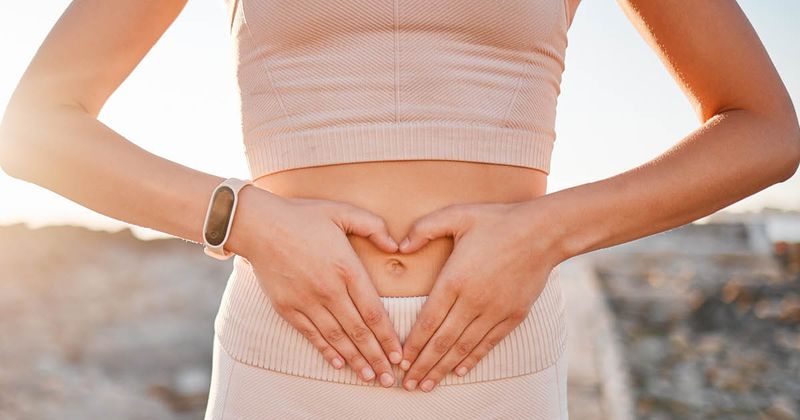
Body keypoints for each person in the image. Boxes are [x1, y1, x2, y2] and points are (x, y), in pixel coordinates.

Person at [1, 0, 798, 418]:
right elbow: (35, 127)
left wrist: (547, 232)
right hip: (284, 360)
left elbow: (763, 127)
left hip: (498, 360)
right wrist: (240, 219)